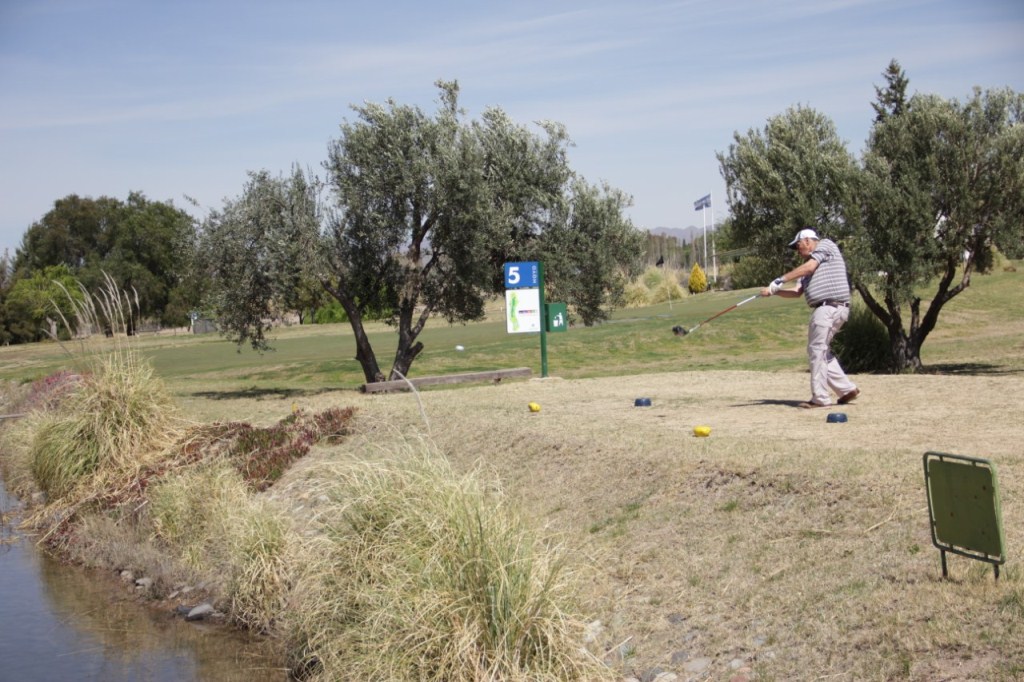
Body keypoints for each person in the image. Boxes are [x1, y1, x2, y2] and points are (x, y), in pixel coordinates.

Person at [760, 227, 860, 408]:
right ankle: (846, 390)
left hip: (829, 307)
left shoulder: (825, 245)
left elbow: (809, 268)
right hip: (831, 309)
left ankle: (820, 398)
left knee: (816, 350)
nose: (797, 251)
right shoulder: (808, 267)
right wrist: (774, 292)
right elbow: (797, 292)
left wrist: (780, 279)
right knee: (821, 351)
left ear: (807, 240)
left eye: (798, 245)